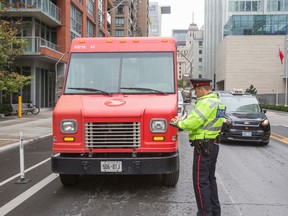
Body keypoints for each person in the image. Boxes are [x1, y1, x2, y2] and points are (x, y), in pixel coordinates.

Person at [170, 78, 226, 216]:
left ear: (202, 89)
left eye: (196, 90)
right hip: (213, 145)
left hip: (203, 147)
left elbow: (194, 122)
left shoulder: (206, 103)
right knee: (210, 179)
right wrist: (184, 120)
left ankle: (204, 213)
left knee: (200, 182)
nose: (195, 93)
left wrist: (179, 123)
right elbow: (203, 122)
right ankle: (214, 212)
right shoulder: (218, 102)